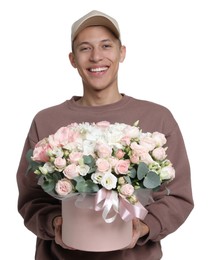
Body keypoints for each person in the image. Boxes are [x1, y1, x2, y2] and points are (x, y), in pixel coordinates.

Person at [16, 10, 194, 260]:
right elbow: (30, 198)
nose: (96, 56)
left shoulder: (158, 118)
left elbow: (178, 196)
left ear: (122, 52)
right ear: (72, 59)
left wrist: (145, 227)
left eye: (106, 46)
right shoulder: (46, 121)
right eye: (85, 48)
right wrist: (55, 222)